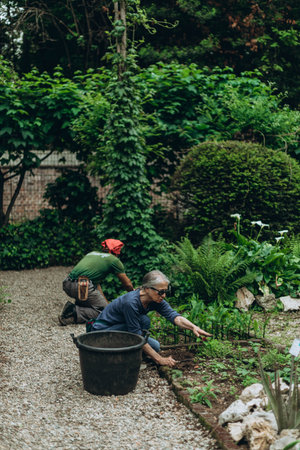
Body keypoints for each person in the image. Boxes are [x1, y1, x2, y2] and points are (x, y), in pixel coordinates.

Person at [88, 270, 211, 367]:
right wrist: (159, 359)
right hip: (101, 333)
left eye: (166, 291)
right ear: (147, 289)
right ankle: (122, 355)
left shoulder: (156, 299)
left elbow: (174, 317)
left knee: (155, 346)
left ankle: (129, 352)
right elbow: (136, 334)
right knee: (145, 329)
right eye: (161, 291)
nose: (164, 295)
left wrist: (193, 327)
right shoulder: (130, 303)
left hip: (120, 328)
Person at [59, 238, 134, 326]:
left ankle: (74, 313)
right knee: (104, 313)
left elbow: (96, 286)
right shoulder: (114, 260)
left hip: (67, 284)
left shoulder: (92, 253)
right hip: (82, 287)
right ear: (117, 252)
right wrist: (134, 295)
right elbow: (127, 284)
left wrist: (106, 304)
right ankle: (73, 311)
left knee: (104, 307)